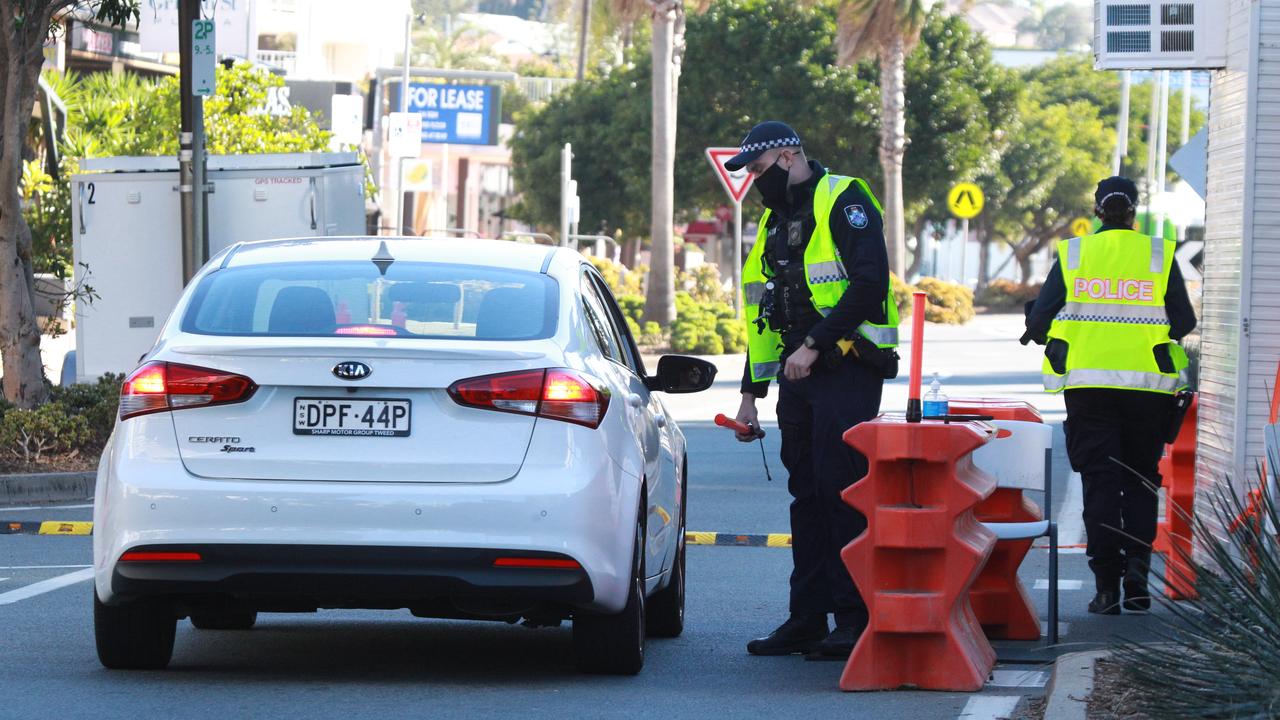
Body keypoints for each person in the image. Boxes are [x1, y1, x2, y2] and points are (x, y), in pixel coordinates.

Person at [727, 121, 900, 659]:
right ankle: (807, 616)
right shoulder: (775, 223)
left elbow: (870, 282)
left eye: (756, 169)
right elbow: (764, 315)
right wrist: (750, 395)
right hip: (797, 379)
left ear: (785, 156)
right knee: (806, 497)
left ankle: (851, 618)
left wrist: (817, 344)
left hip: (846, 368)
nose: (753, 181)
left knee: (840, 492)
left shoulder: (843, 197)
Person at [1022, 176, 1197, 615]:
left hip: (1089, 389)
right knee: (1140, 479)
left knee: (1099, 483)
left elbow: (1040, 320)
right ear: (1133, 210)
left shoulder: (1075, 253)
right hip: (1147, 390)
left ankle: (1105, 589)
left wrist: (1060, 334)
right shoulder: (1157, 254)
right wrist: (1150, 339)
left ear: (1096, 211)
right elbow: (1184, 320)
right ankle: (1137, 574)